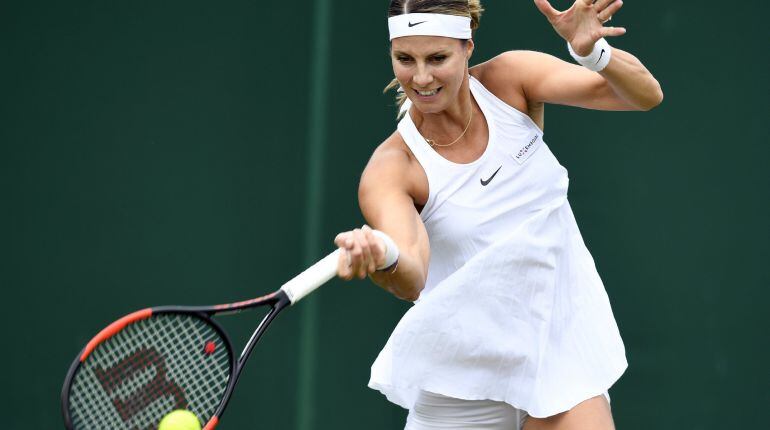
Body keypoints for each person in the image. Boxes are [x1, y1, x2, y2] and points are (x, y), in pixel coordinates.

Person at [334, 0, 662, 429]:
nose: (421, 77)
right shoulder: (392, 169)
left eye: (437, 58)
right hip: (462, 381)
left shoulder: (510, 80)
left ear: (468, 45)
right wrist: (384, 256)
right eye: (404, 59)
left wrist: (592, 53)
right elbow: (411, 275)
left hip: (556, 352)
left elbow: (644, 95)